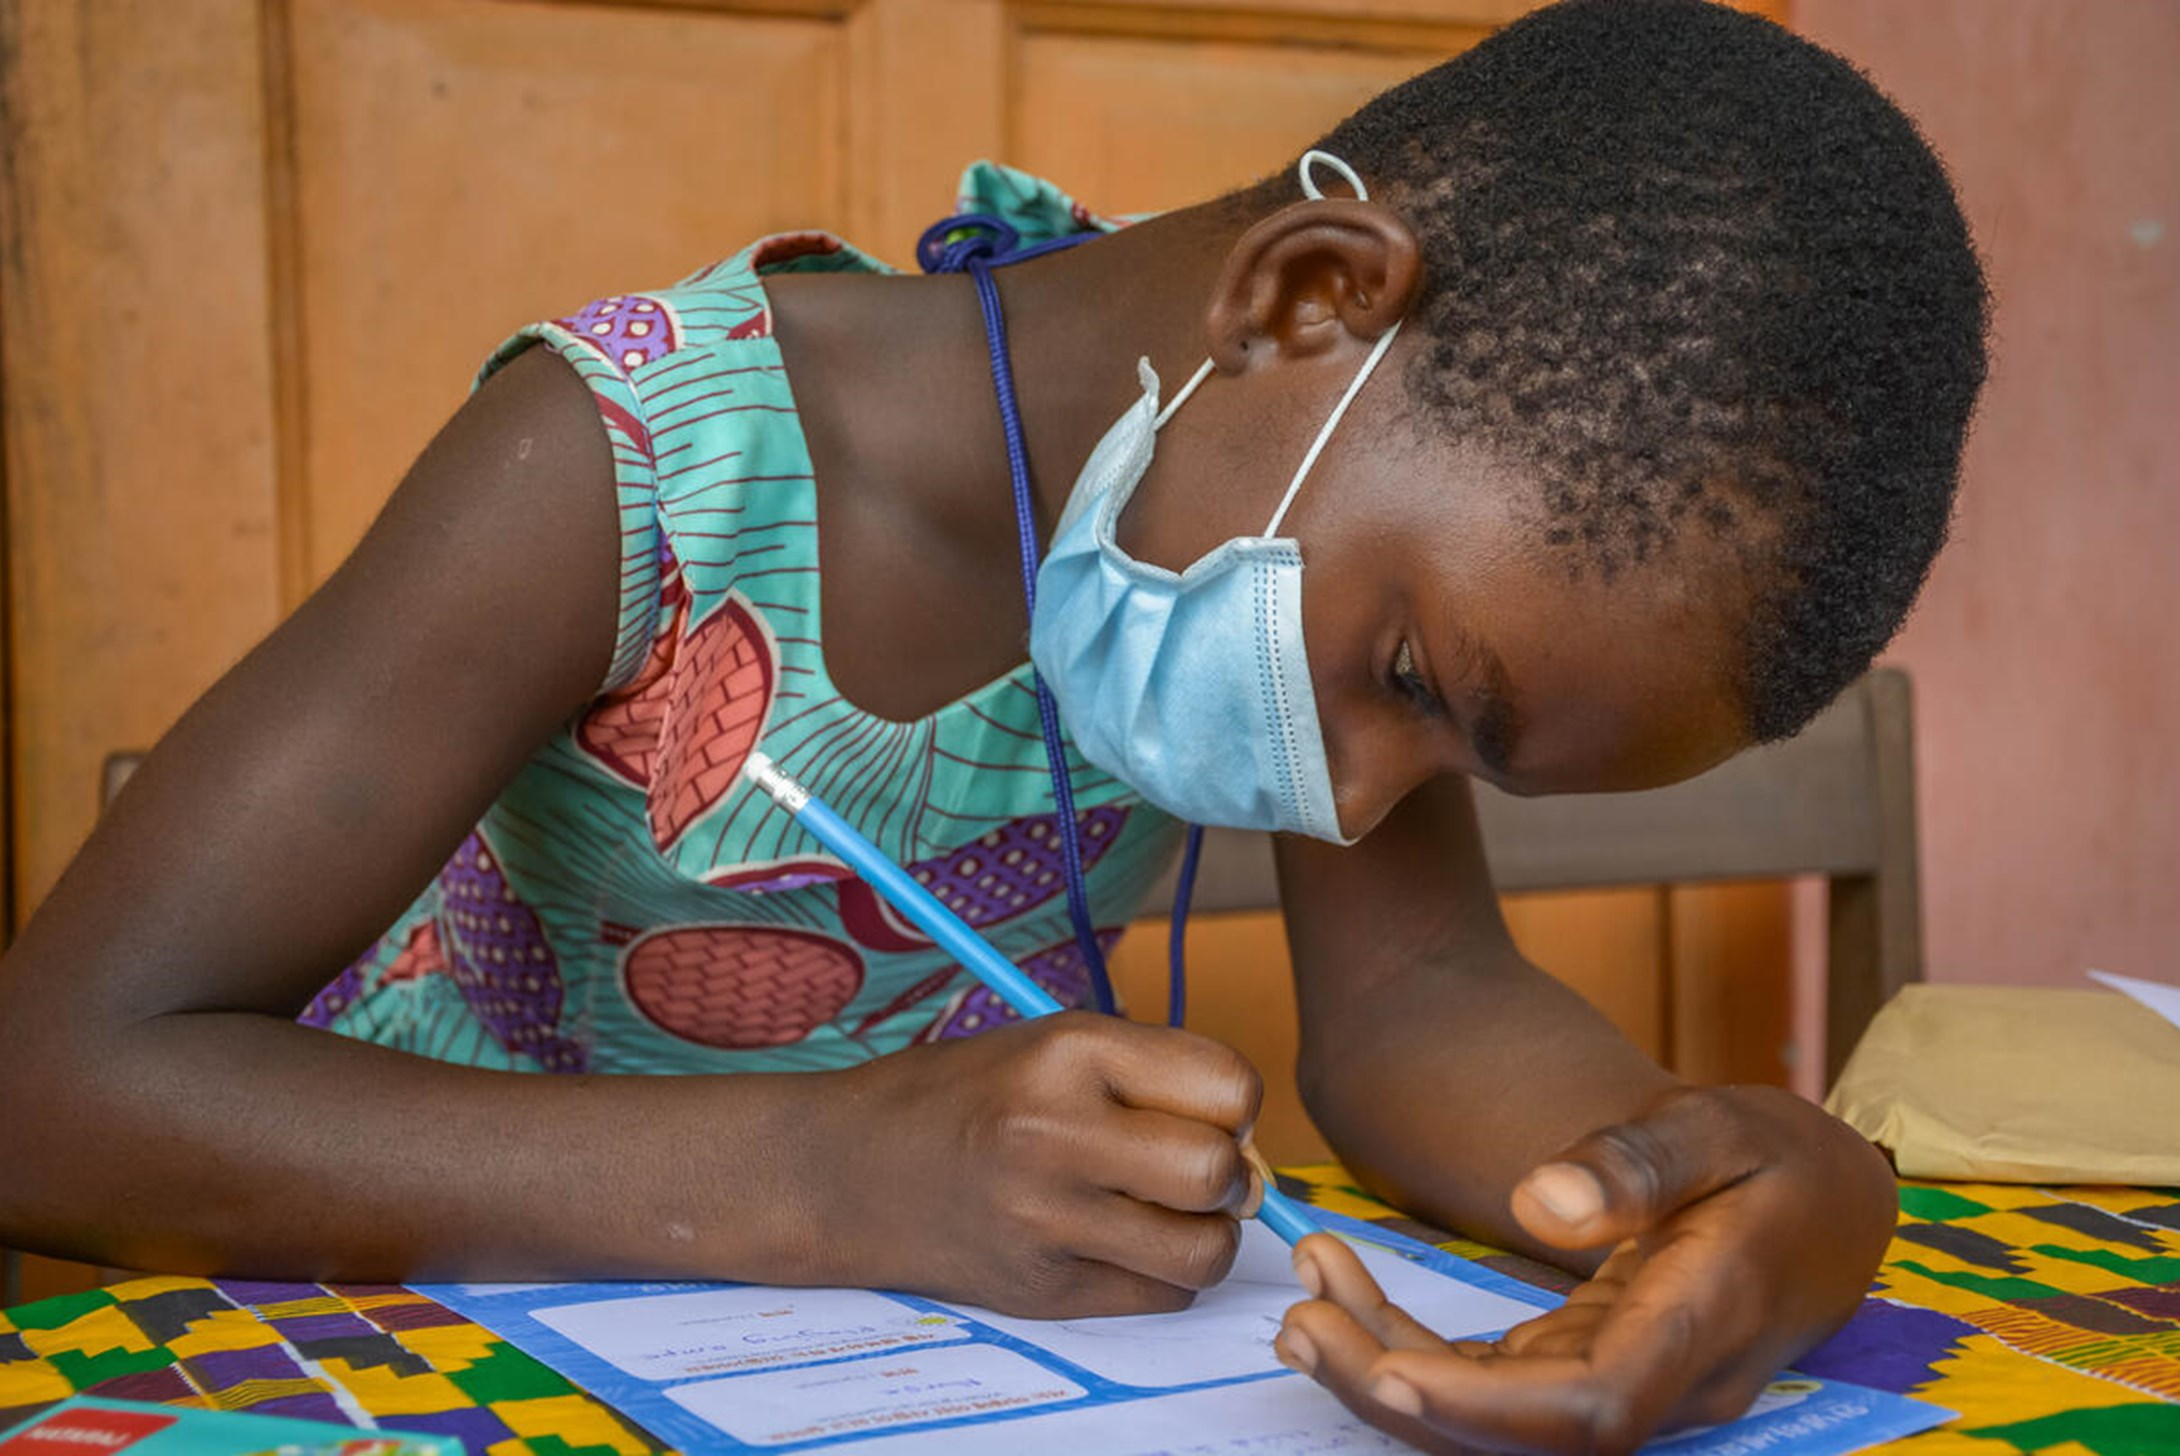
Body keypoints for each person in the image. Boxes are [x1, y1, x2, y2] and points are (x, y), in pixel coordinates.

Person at [0, 0, 1986, 1450]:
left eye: (1458, 768)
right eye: (1411, 692)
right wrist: (824, 1175)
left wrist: (1691, 1190)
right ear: (1305, 300)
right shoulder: (629, 470)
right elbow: (52, 1085)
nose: (1358, 790)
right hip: (382, 1353)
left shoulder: (1283, 511)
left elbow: (1416, 1009)